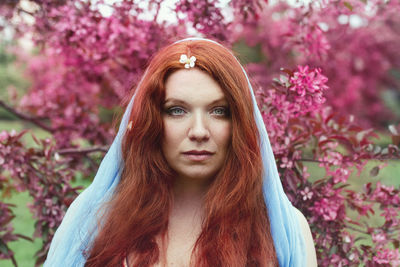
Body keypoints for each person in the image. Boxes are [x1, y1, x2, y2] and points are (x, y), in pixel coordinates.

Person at [44, 38, 317, 267]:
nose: (199, 131)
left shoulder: (285, 231)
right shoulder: (96, 220)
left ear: (240, 124)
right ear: (152, 122)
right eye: (177, 110)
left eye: (219, 111)